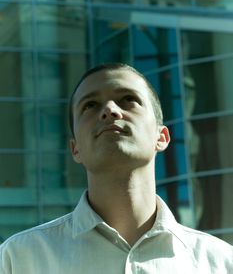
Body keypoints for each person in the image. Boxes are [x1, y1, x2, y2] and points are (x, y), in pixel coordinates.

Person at [0, 63, 233, 273]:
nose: (110, 110)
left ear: (161, 137)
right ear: (75, 149)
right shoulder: (19, 258)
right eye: (90, 105)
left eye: (128, 99)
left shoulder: (220, 263)